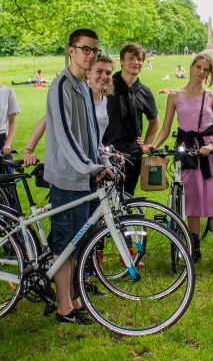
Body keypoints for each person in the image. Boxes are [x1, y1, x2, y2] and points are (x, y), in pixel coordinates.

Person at [44, 29, 113, 324]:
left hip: (85, 178)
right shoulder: (61, 86)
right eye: (85, 49)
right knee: (64, 244)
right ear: (70, 50)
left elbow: (91, 135)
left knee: (79, 241)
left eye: (94, 50)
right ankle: (64, 308)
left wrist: (101, 159)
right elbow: (65, 135)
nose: (90, 55)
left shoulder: (84, 87)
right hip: (66, 177)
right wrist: (90, 166)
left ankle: (73, 299)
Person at [151, 53, 213, 266]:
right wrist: (154, 145)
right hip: (186, 150)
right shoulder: (175, 96)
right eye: (199, 67)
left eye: (206, 69)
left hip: (208, 151)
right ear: (191, 67)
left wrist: (212, 144)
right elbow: (166, 128)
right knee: (192, 199)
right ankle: (194, 248)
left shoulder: (212, 96)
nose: (202, 72)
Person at [23, 53, 115, 165]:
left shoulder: (106, 101)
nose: (104, 76)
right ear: (88, 73)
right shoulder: (76, 98)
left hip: (94, 160)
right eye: (99, 71)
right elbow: (47, 119)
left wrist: (104, 154)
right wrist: (28, 151)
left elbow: (97, 137)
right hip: (72, 162)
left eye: (108, 73)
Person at [103, 43, 159, 197]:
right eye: (131, 58)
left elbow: (154, 120)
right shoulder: (107, 85)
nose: (136, 62)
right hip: (107, 153)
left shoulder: (144, 92)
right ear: (121, 60)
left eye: (140, 59)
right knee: (105, 202)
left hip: (133, 155)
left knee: (127, 198)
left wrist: (146, 144)